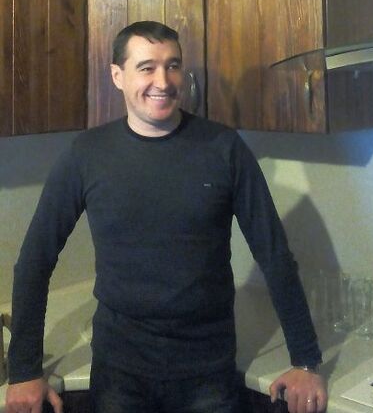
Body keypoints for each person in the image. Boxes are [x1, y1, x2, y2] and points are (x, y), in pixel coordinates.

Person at [6, 21, 327, 413]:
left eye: (172, 65)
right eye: (147, 67)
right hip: (119, 371)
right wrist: (23, 370)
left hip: (208, 371)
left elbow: (274, 255)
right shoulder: (86, 155)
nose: (163, 81)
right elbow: (35, 261)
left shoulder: (224, 148)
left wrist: (305, 360)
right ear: (117, 76)